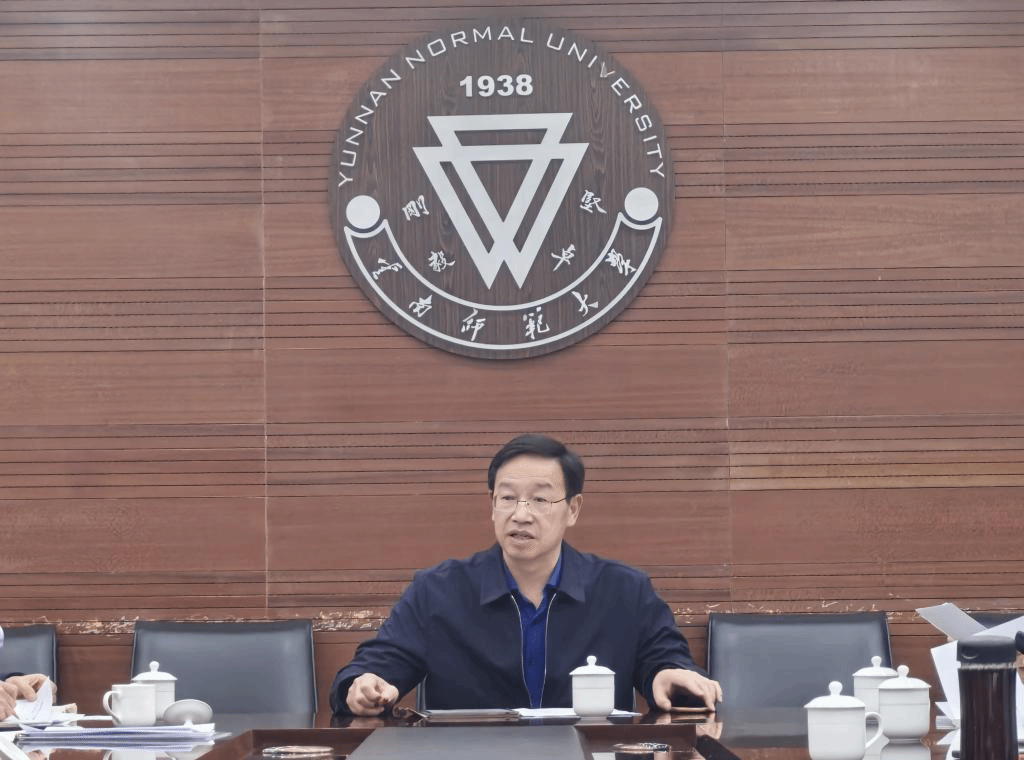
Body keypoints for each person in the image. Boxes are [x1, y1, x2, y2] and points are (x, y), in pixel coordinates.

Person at [331, 433, 722, 717]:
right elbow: (378, 665)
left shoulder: (624, 590)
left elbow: (664, 660)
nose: (521, 514)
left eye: (539, 499)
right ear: (492, 506)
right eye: (507, 498)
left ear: (573, 509)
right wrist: (364, 685)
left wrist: (668, 674)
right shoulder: (438, 591)